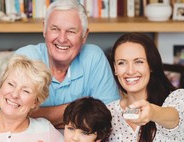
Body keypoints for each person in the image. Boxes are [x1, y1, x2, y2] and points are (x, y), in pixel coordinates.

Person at [15, 0, 119, 128]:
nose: (62, 39)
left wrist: (39, 115)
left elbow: (109, 115)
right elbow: (15, 116)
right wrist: (83, 108)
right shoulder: (26, 57)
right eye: (55, 29)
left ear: (84, 35)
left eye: (71, 31)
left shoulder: (94, 57)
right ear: (44, 29)